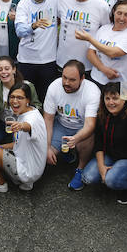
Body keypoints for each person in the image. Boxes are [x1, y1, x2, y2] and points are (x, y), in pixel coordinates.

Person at [80, 83, 127, 205]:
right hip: (111, 156)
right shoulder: (103, 115)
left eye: (115, 98)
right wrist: (101, 166)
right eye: (107, 98)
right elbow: (98, 143)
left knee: (110, 180)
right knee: (88, 177)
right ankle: (113, 175)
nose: (111, 102)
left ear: (124, 99)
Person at [0, 83, 47, 192]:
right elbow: (18, 143)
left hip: (28, 171)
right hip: (26, 162)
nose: (15, 101)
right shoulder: (27, 111)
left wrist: (21, 125)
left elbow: (28, 126)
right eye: (12, 97)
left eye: (20, 98)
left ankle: (1, 184)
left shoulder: (32, 119)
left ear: (28, 100)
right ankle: (22, 182)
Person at [43, 61, 100, 190]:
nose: (66, 83)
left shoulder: (92, 91)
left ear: (82, 78)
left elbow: (90, 125)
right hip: (61, 124)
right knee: (45, 156)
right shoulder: (54, 86)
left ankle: (80, 168)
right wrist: (46, 147)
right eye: (64, 78)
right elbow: (48, 119)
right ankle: (67, 153)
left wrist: (76, 138)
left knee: (86, 137)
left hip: (81, 128)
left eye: (72, 80)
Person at [15, 0, 61, 101]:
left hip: (48, 60)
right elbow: (19, 30)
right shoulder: (23, 4)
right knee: (26, 98)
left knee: (46, 98)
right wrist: (33, 26)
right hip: (27, 60)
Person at [76, 0, 127, 87]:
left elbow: (113, 53)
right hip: (97, 78)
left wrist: (90, 39)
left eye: (126, 15)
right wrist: (104, 70)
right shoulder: (104, 29)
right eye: (119, 13)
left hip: (122, 82)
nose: (121, 18)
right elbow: (90, 53)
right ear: (113, 12)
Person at [56, 0, 111, 69]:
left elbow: (106, 32)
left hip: (88, 64)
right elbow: (57, 21)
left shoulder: (101, 6)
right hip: (63, 61)